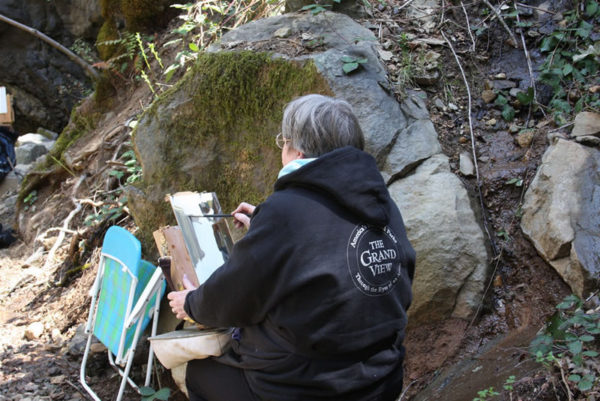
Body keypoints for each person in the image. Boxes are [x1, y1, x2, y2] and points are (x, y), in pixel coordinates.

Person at [168, 94, 415, 401]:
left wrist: (191, 303)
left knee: (202, 376)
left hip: (311, 389)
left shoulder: (285, 212)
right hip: (383, 377)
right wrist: (263, 221)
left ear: (297, 150)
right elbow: (329, 240)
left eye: (282, 142)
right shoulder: (381, 202)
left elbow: (235, 295)